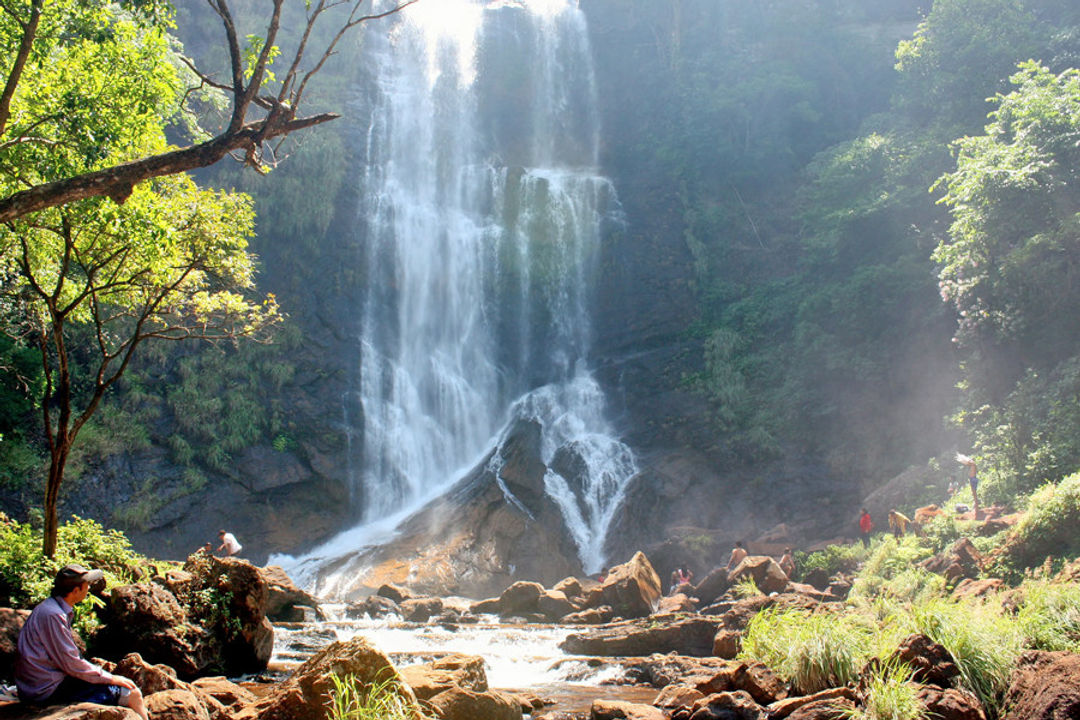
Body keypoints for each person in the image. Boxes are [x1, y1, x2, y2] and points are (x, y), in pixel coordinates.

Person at [15, 564, 148, 719]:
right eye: (87, 585)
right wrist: (111, 678)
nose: (89, 588)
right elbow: (71, 663)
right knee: (132, 693)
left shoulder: (50, 608)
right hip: (45, 690)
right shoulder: (53, 615)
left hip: (37, 684)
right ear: (76, 591)